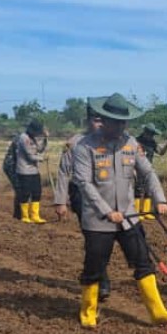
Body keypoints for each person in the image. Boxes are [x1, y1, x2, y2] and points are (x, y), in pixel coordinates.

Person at [73, 94, 167, 329]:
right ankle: (88, 311)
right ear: (104, 120)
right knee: (95, 266)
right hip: (99, 221)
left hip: (129, 218)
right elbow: (84, 183)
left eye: (125, 122)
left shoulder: (131, 144)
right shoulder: (85, 146)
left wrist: (159, 199)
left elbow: (148, 173)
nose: (121, 126)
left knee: (143, 261)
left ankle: (157, 312)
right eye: (116, 122)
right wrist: (107, 211)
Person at [55, 106, 112, 301]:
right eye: (96, 120)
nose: (100, 124)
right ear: (88, 121)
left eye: (102, 120)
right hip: (82, 195)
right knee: (94, 238)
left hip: (106, 193)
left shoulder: (111, 140)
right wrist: (61, 201)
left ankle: (98, 276)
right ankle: (101, 281)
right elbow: (63, 172)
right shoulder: (75, 143)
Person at [135, 123, 167, 219]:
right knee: (138, 190)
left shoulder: (152, 143)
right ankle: (136, 213)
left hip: (149, 169)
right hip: (137, 169)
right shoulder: (136, 141)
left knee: (149, 190)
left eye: (152, 134)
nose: (151, 136)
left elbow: (161, 152)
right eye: (150, 134)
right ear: (145, 132)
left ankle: (146, 212)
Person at [16, 119, 49, 224]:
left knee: (37, 192)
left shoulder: (33, 138)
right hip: (24, 171)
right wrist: (42, 158)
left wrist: (45, 138)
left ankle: (35, 216)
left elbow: (40, 149)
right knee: (25, 193)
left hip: (34, 171)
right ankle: (25, 216)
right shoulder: (23, 138)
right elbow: (30, 155)